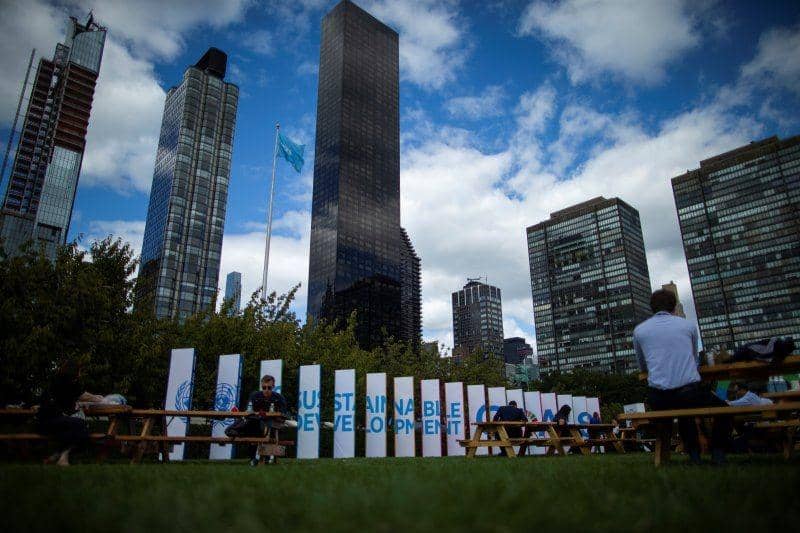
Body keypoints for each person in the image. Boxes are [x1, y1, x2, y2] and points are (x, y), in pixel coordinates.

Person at [634, 289, 732, 464]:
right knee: (724, 410)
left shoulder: (640, 331)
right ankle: (717, 452)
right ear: (674, 307)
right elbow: (693, 359)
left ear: (652, 308)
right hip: (688, 393)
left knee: (684, 413)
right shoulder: (687, 326)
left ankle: (694, 455)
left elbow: (642, 366)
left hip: (658, 398)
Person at [36, 362, 90, 466]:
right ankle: (63, 456)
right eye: (79, 371)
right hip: (51, 421)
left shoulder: (54, 381)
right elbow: (82, 396)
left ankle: (58, 455)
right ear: (74, 372)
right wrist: (100, 399)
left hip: (44, 422)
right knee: (82, 426)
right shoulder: (69, 384)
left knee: (75, 429)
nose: (80, 374)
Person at [226, 374, 287, 466]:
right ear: (261, 386)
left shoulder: (279, 398)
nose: (266, 390)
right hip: (255, 423)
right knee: (250, 423)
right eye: (264, 387)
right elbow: (248, 411)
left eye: (269, 388)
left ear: (273, 387)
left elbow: (284, 415)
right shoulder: (255, 395)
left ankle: (258, 458)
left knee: (262, 428)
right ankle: (254, 457)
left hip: (271, 424)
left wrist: (274, 416)